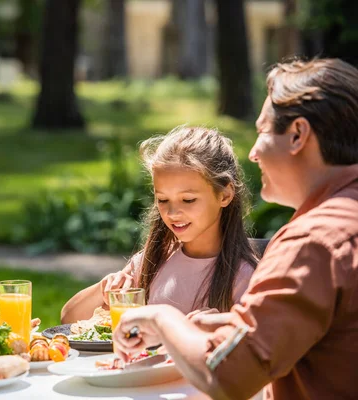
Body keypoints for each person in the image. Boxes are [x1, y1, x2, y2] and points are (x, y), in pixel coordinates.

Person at [113, 58, 358, 400]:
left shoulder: (314, 242)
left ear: (298, 134)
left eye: (261, 131)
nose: (254, 153)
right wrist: (226, 327)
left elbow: (228, 377)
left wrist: (162, 318)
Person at [61, 127, 258, 324]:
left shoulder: (245, 276)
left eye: (188, 200)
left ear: (225, 195)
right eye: (163, 200)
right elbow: (68, 318)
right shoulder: (155, 261)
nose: (172, 213)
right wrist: (104, 289)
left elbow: (263, 347)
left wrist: (224, 326)